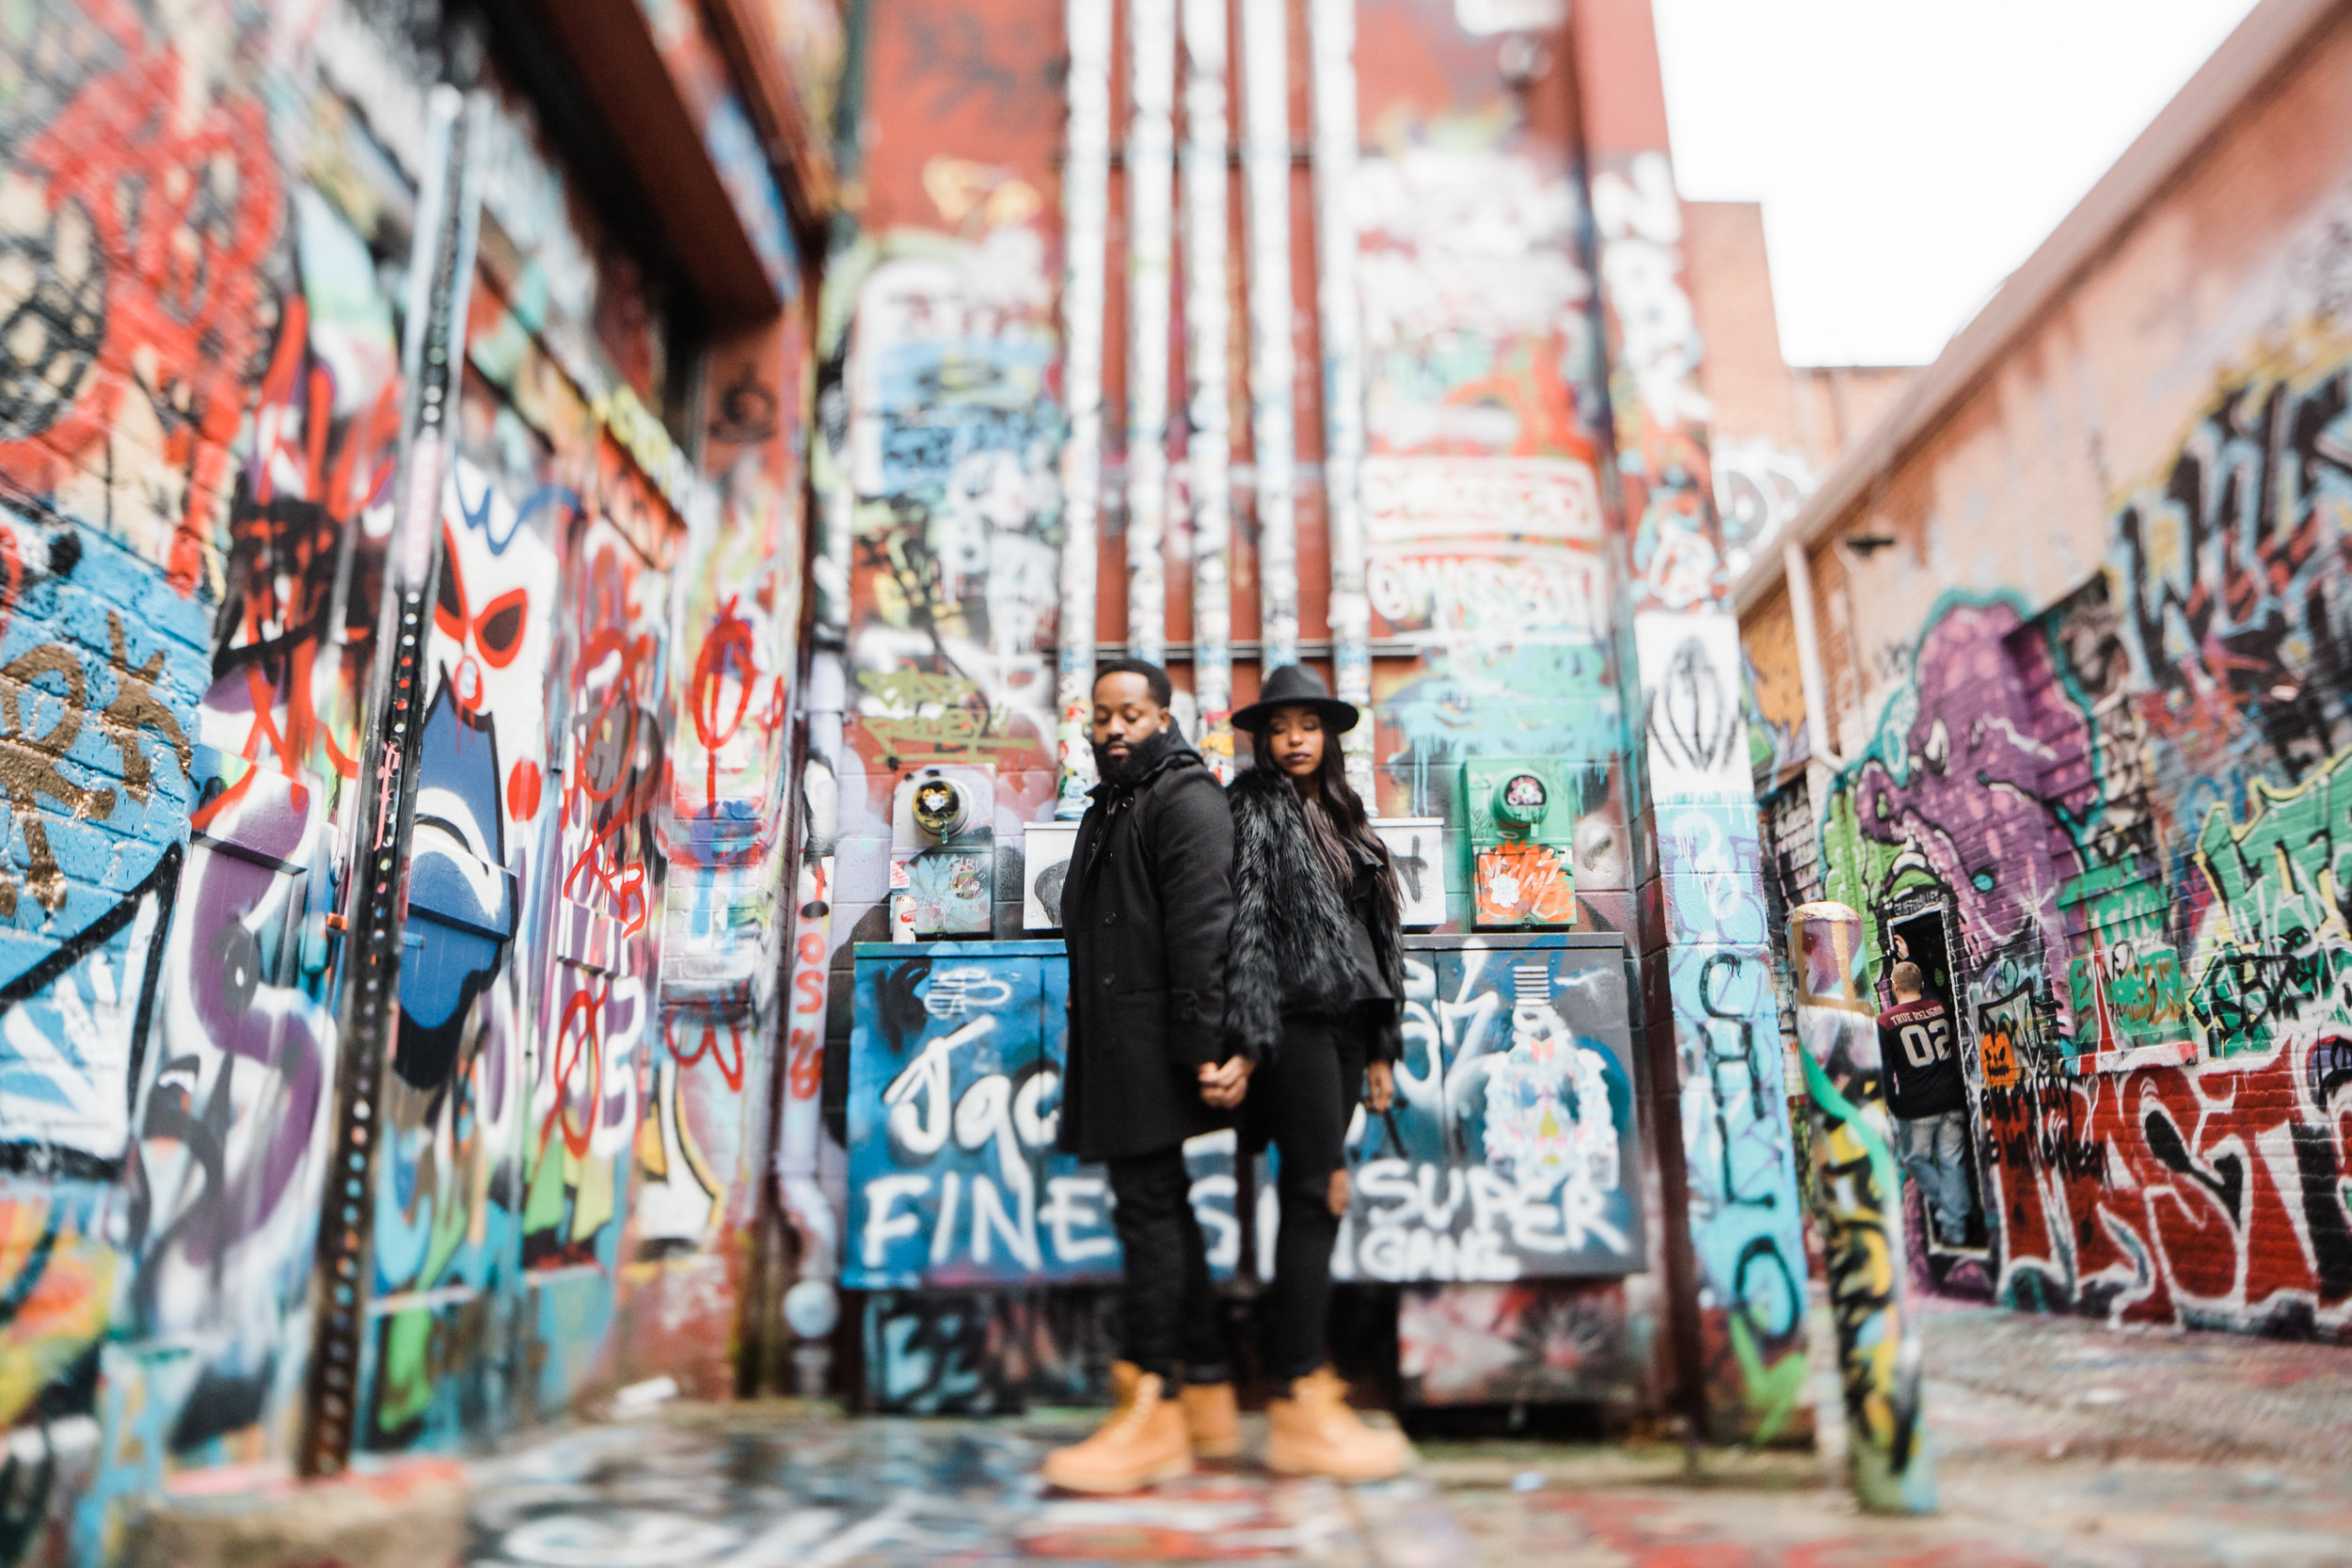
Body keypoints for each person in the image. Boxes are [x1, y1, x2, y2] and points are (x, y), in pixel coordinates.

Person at [1043, 659, 1244, 1493]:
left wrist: (1206, 1043)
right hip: (1119, 1041)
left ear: (1163, 716)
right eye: (1102, 717)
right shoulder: (1114, 805)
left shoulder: (1184, 798)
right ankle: (1206, 1392)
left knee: (1148, 1210)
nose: (1114, 728)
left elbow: (1207, 923)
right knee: (1159, 1201)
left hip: (1158, 1041)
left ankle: (1153, 1400)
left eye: (1130, 713)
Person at [1219, 663, 1411, 1481]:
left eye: (1308, 724)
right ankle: (1296, 1387)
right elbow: (1246, 928)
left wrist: (1380, 1049)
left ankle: (1306, 1377)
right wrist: (1252, 1037)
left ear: (1328, 734)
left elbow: (1375, 945)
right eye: (1280, 726)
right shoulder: (1251, 807)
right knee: (1316, 1190)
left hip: (1344, 1026)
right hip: (1293, 1024)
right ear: (1262, 738)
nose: (1295, 739)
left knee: (1320, 1193)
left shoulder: (1345, 811)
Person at [1876, 960, 1974, 1248]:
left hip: (1916, 1105)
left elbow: (1884, 1069)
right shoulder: (1941, 1007)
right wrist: (1915, 963)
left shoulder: (1885, 1022)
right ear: (1920, 984)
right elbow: (1930, 991)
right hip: (1952, 1098)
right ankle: (1956, 1225)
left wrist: (1893, 1104)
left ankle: (1952, 1209)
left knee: (1916, 1160)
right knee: (1952, 1163)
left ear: (1893, 987)